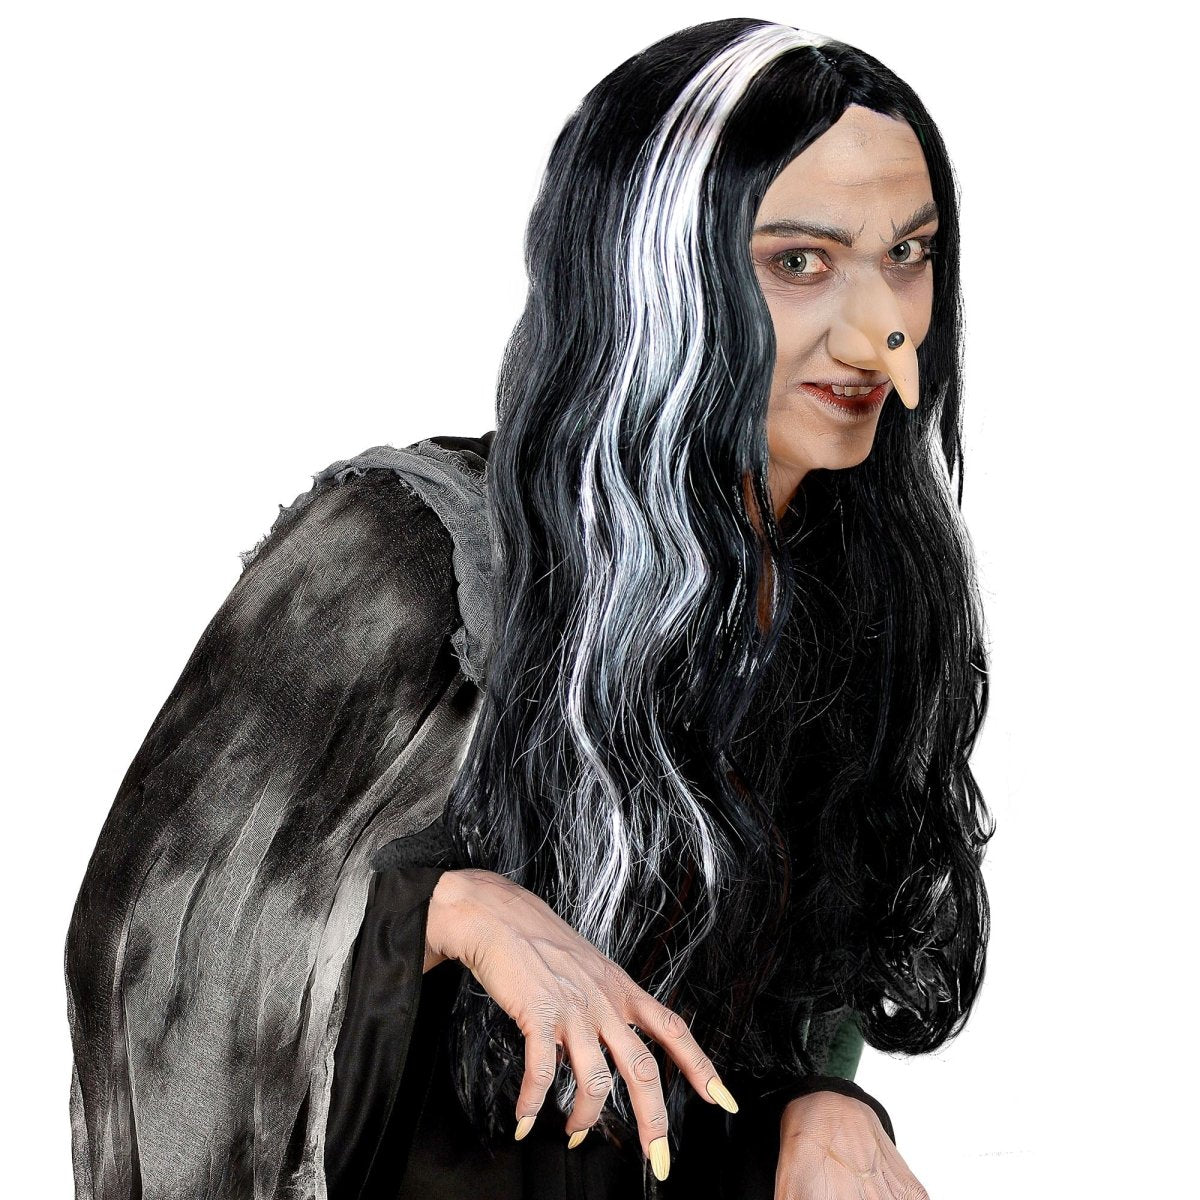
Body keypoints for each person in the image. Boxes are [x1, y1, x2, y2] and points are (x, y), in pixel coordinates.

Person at [64, 18, 993, 1200]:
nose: (881, 331)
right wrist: (446, 909)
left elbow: (807, 973)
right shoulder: (404, 552)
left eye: (908, 253)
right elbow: (147, 933)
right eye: (800, 262)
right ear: (647, 273)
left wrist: (826, 1100)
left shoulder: (854, 594)